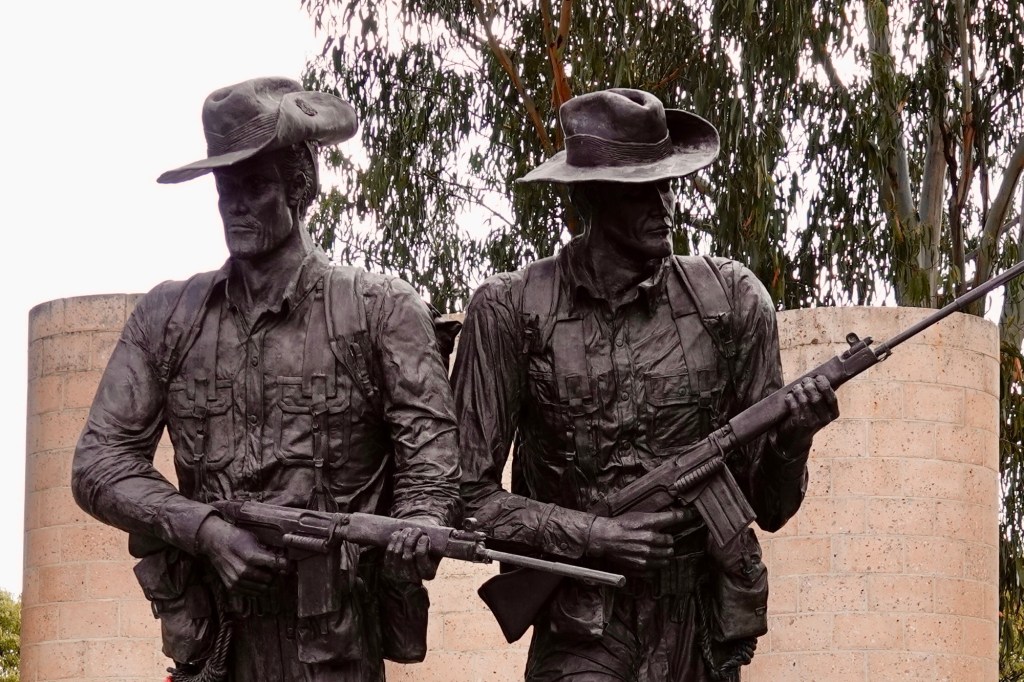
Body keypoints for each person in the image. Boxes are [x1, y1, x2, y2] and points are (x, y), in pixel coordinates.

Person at [72, 77, 461, 681]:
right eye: (225, 189)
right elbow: (98, 464)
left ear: (300, 187)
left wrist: (420, 523)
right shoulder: (169, 316)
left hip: (335, 643)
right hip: (215, 640)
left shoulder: (380, 309)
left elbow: (430, 461)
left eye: (254, 186)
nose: (235, 205)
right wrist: (204, 531)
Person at [452, 88, 839, 681]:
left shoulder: (731, 300)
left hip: (701, 630)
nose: (665, 204)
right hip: (583, 629)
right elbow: (464, 498)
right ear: (588, 196)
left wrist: (794, 439)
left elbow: (771, 509)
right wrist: (596, 534)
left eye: (669, 183)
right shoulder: (511, 310)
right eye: (641, 188)